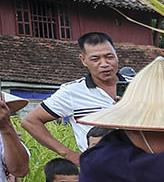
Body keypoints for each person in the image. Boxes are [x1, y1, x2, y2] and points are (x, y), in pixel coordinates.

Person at [22, 31, 121, 163]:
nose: (104, 64)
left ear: (116, 55)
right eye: (95, 59)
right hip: (99, 170)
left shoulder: (140, 84)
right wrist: (69, 154)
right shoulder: (72, 92)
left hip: (140, 168)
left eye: (109, 56)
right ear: (83, 60)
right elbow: (30, 121)